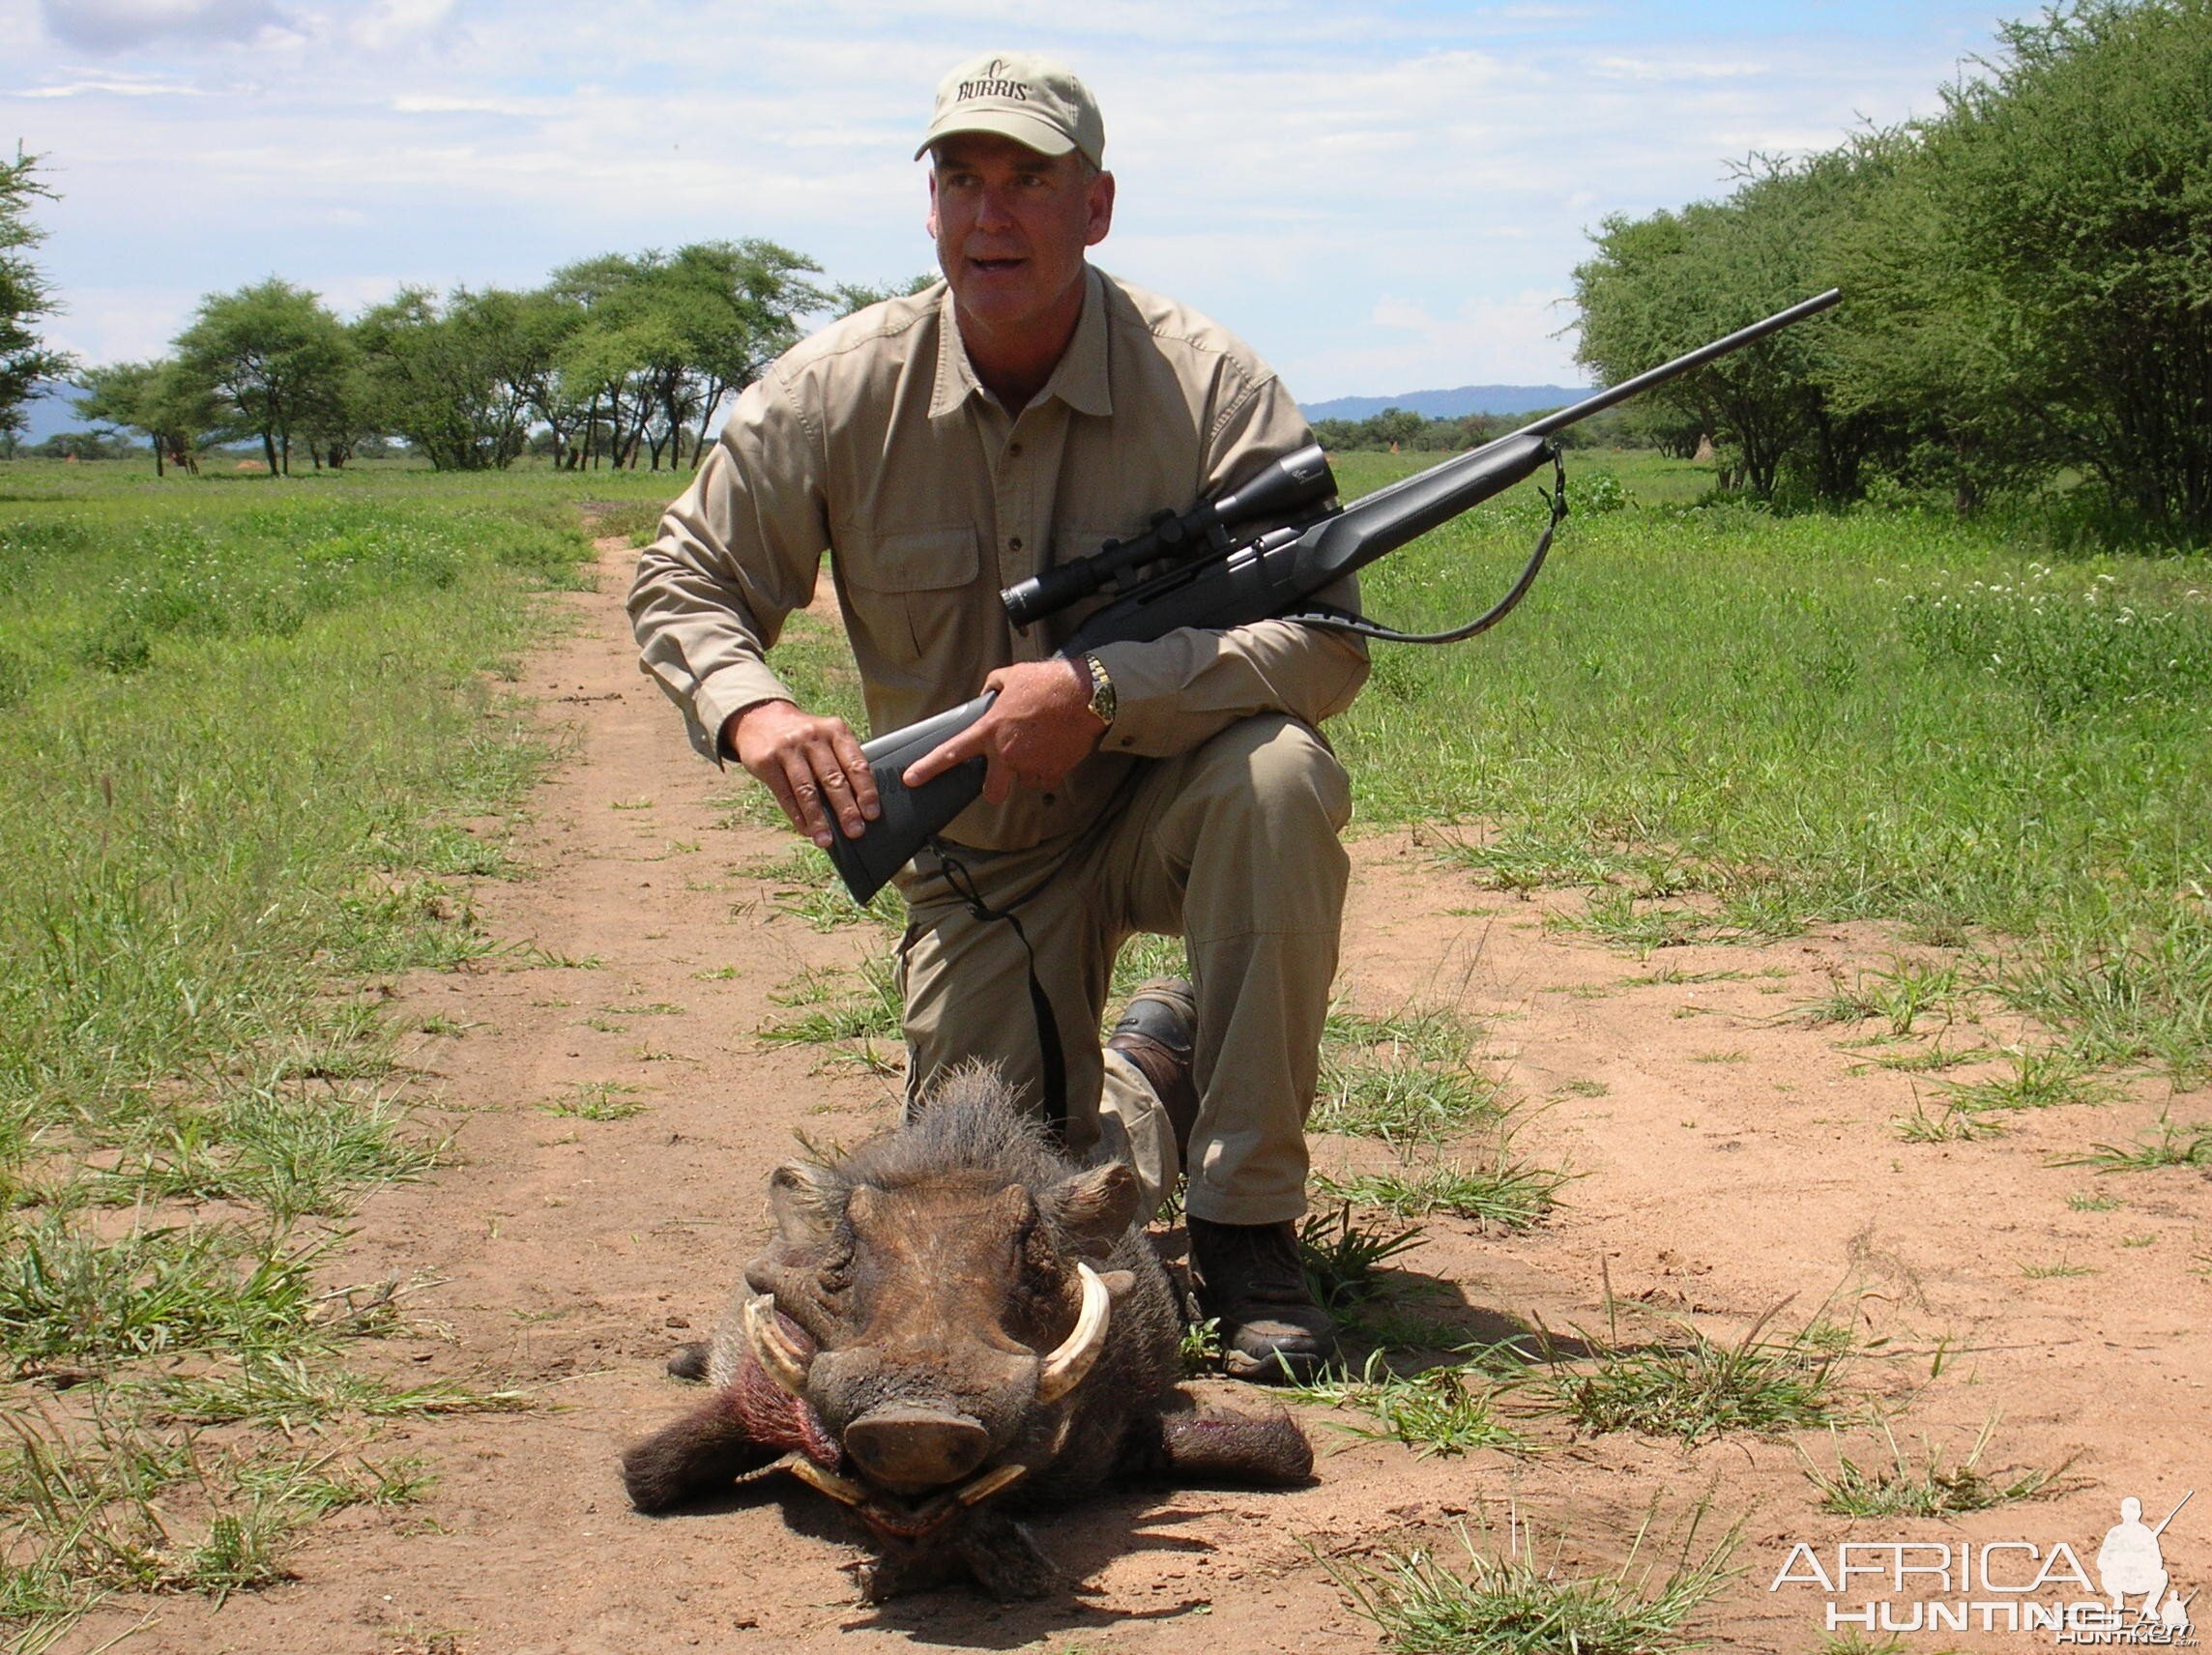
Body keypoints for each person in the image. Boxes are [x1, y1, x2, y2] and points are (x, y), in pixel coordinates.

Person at [628, 50, 1367, 1382]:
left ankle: (1251, 1228)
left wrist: (1101, 692)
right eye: (961, 180)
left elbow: (1325, 643)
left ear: (1097, 208)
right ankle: (1149, 1073)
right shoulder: (836, 387)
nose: (991, 213)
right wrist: (756, 714)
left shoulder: (1209, 383)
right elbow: (683, 578)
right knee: (1004, 1209)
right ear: (929, 209)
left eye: (1031, 182)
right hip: (979, 866)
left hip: (1167, 797)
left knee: (1281, 777)